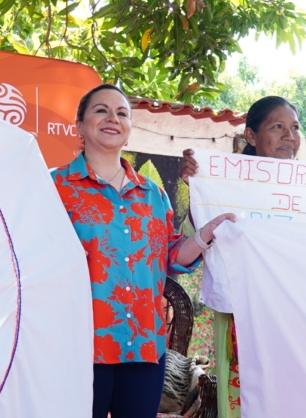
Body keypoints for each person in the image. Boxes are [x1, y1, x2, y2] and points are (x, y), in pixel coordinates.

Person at [53, 84, 234, 418]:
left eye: (122, 113)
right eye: (101, 110)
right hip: (77, 347)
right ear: (79, 125)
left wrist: (203, 235)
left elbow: (171, 256)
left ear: (129, 129)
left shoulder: (152, 193)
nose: (113, 118)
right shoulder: (54, 187)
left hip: (144, 348)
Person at [178, 94, 301, 418]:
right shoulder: (223, 183)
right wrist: (198, 187)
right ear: (251, 136)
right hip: (240, 311)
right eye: (278, 127)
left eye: (295, 127)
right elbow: (196, 240)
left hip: (296, 311)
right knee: (243, 392)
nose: (290, 136)